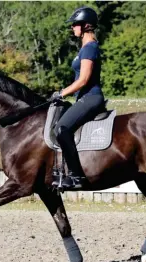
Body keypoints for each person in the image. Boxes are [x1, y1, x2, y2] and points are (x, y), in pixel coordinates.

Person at [49, 6, 105, 189]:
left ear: (85, 26)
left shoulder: (90, 48)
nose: (72, 27)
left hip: (90, 97)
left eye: (75, 24)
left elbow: (83, 80)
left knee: (61, 129)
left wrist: (61, 93)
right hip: (83, 98)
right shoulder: (84, 48)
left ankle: (76, 176)